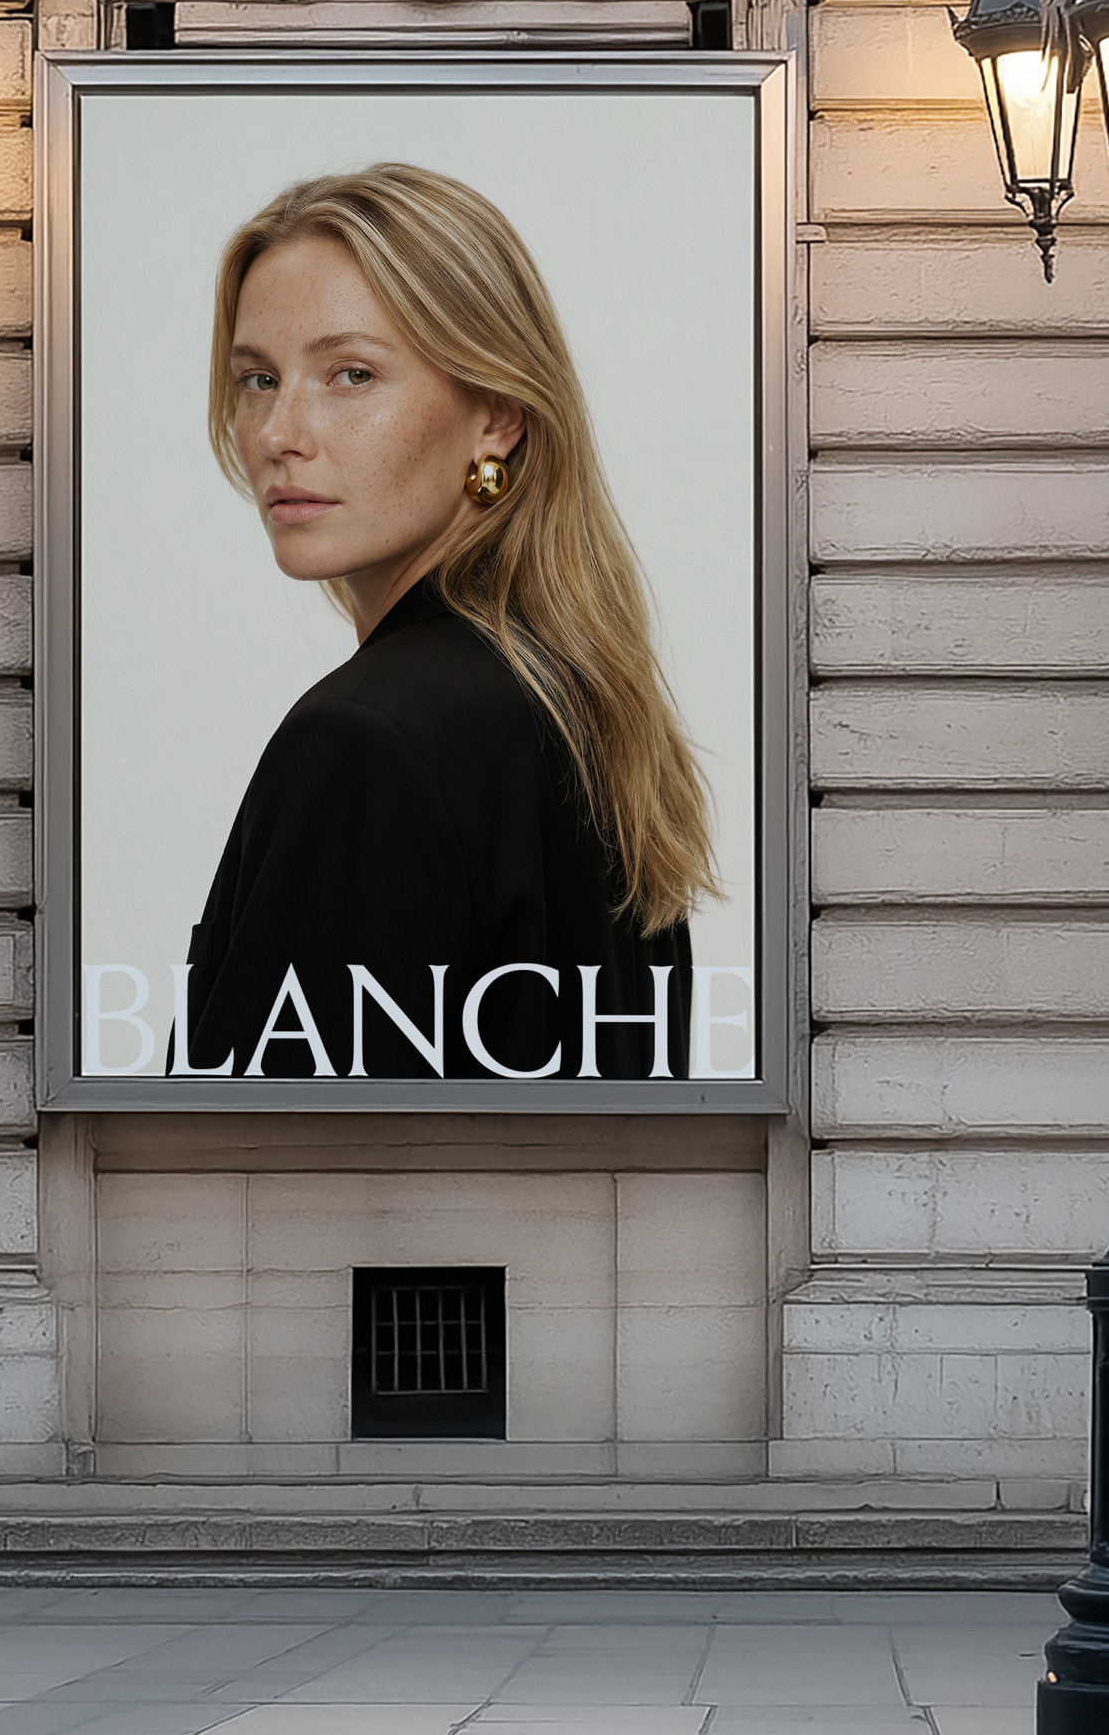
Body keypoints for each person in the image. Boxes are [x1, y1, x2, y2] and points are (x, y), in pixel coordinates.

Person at [180, 163, 714, 1082]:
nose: (278, 431)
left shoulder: (369, 743)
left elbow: (249, 1194)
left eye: (351, 374)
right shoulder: (578, 709)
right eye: (258, 379)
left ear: (497, 415)